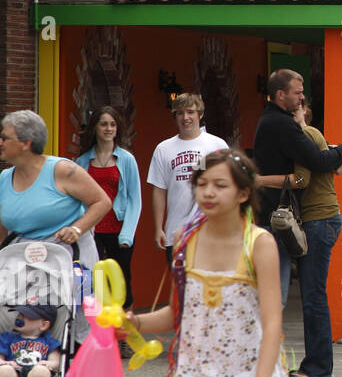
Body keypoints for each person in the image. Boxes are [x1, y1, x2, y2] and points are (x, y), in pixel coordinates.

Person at [129, 149, 295, 377]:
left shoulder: (259, 244)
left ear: (243, 193)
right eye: (202, 184)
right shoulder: (184, 240)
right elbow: (178, 315)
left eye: (220, 185)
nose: (208, 192)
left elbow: (273, 323)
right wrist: (133, 324)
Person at [0, 111, 111, 330]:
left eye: (5, 137)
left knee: (72, 325)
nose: (0, 142)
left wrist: (77, 229)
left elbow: (102, 201)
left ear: (26, 143)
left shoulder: (63, 170)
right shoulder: (4, 179)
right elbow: (3, 228)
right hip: (24, 260)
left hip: (67, 255)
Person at [251, 69, 342, 307]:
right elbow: (318, 162)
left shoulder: (269, 120)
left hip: (272, 217)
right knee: (277, 299)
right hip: (277, 220)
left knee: (275, 297)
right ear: (281, 94)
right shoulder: (283, 124)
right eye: (298, 92)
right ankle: (267, 343)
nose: (302, 97)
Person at [288, 104, 342, 377]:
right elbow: (338, 164)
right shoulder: (312, 134)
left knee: (313, 296)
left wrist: (260, 180)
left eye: (295, 109)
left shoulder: (305, 135)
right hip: (324, 218)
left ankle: (319, 366)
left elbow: (301, 179)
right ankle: (316, 364)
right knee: (313, 295)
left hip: (319, 219)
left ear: (303, 111)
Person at [75, 106, 143, 317]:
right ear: (95, 127)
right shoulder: (82, 162)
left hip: (118, 230)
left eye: (112, 124)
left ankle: (124, 335)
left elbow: (135, 200)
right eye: (103, 124)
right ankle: (91, 335)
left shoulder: (127, 160)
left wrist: (127, 235)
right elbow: (76, 200)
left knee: (121, 283)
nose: (108, 128)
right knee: (90, 282)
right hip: (91, 229)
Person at [148, 94, 228, 264]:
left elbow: (229, 187)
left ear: (200, 114)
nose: (186, 118)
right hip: (176, 232)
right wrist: (158, 228)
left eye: (191, 112)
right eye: (180, 113)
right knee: (182, 289)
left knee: (210, 287)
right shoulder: (163, 149)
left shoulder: (217, 145)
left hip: (211, 231)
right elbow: (159, 190)